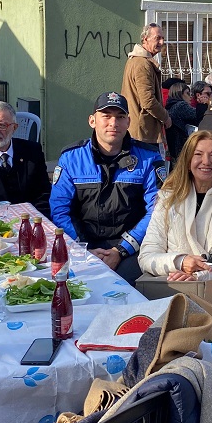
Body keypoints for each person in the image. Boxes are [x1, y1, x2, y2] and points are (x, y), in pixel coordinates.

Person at [49, 92, 166, 284]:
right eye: (106, 116)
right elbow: (60, 211)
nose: (113, 123)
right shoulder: (71, 158)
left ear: (128, 121)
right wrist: (83, 250)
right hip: (83, 245)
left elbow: (157, 211)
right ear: (92, 121)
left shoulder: (149, 158)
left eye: (120, 117)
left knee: (124, 287)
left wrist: (120, 250)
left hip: (131, 249)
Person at [139, 130, 212, 281]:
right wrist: (180, 262)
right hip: (174, 290)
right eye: (198, 154)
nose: (206, 161)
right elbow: (147, 256)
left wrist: (202, 274)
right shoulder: (167, 200)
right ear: (188, 162)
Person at [122, 23, 172, 145]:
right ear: (145, 39)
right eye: (157, 38)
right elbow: (148, 101)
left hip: (139, 129)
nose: (161, 42)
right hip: (143, 132)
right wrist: (165, 117)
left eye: (163, 38)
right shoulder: (142, 64)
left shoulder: (137, 60)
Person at [166, 81, 202, 163]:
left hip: (172, 146)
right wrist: (203, 104)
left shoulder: (170, 105)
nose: (190, 97)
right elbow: (199, 115)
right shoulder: (181, 105)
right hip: (180, 146)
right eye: (187, 93)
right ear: (180, 94)